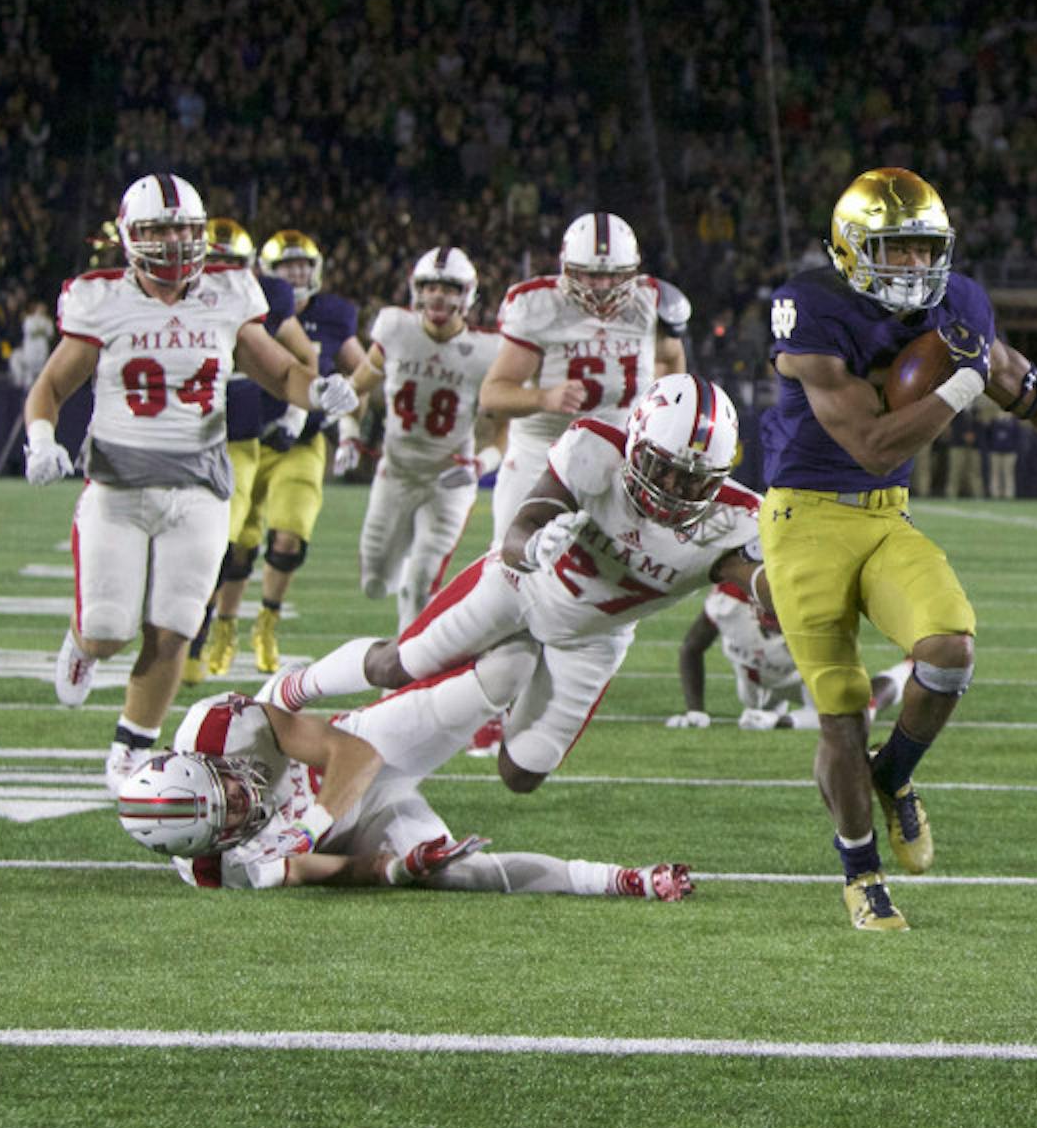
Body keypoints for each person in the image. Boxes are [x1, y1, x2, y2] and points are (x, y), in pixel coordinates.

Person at [763, 165, 1037, 931]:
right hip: (803, 520)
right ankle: (861, 873)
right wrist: (961, 388)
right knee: (840, 711)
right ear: (851, 248)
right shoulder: (810, 307)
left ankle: (894, 775)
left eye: (923, 250)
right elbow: (869, 443)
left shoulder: (959, 303)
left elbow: (1033, 394)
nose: (913, 268)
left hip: (886, 518)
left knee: (949, 649)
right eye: (895, 251)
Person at [258, 374, 764, 797]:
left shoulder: (736, 521)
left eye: (694, 480)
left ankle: (498, 674)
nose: (673, 491)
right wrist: (536, 546)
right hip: (519, 585)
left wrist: (788, 581)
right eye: (662, 468)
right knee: (397, 666)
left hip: (592, 635)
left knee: (520, 774)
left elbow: (767, 591)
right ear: (634, 444)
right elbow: (524, 527)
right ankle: (294, 687)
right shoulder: (593, 448)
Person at [21, 173, 358, 793]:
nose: (174, 241)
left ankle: (131, 747)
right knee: (109, 628)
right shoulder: (101, 297)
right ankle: (81, 643)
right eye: (158, 229)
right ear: (129, 237)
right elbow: (50, 386)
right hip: (118, 486)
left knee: (176, 624)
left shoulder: (230, 291)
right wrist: (43, 439)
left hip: (200, 486)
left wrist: (319, 391)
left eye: (183, 228)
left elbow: (279, 370)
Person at [117, 678, 691, 900]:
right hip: (361, 826)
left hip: (351, 759)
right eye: (230, 817)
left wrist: (309, 825)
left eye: (229, 789)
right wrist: (398, 867)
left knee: (466, 691)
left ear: (199, 760)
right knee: (456, 874)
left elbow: (356, 754)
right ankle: (624, 880)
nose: (245, 801)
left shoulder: (224, 727)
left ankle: (538, 656)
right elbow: (320, 871)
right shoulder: (219, 871)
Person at [480, 212, 689, 549]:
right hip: (540, 454)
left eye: (613, 275)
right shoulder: (538, 306)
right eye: (590, 275)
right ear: (567, 269)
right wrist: (543, 398)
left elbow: (670, 355)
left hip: (617, 458)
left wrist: (664, 411)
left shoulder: (649, 304)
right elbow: (491, 395)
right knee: (512, 565)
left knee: (612, 577)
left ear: (631, 272)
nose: (602, 286)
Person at [335, 246, 501, 631]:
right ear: (417, 290)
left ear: (467, 295)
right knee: (376, 581)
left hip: (448, 481)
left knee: (421, 583)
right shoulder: (395, 330)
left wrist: (480, 464)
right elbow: (354, 389)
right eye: (430, 286)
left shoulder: (486, 351)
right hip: (395, 472)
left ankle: (405, 673)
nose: (439, 296)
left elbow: (504, 431)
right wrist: (347, 435)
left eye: (450, 288)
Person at [225, 228, 366, 672]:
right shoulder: (253, 306)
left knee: (288, 539)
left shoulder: (334, 315)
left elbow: (363, 375)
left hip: (302, 442)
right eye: (288, 268)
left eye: (304, 265)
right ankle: (221, 627)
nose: (298, 274)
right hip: (248, 436)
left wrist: (348, 428)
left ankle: (266, 623)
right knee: (234, 545)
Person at [186, 218, 316, 683]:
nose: (220, 272)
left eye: (231, 264)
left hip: (237, 440)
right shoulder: (170, 294)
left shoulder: (264, 297)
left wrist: (297, 416)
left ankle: (195, 642)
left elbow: (303, 357)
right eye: (213, 261)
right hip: (182, 437)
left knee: (219, 541)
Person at [665, 580, 913, 731]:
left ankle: (909, 668)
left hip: (803, 679)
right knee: (754, 707)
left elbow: (854, 707)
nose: (775, 615)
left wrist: (777, 722)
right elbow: (691, 647)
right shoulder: (727, 599)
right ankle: (770, 708)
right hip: (752, 679)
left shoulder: (820, 623)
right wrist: (695, 711)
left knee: (855, 711)